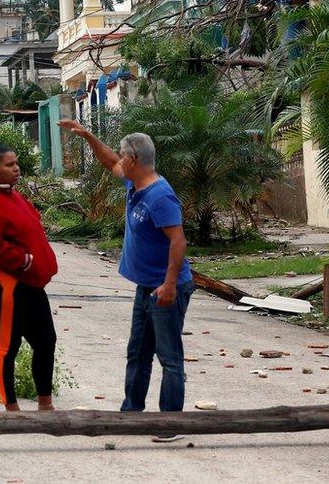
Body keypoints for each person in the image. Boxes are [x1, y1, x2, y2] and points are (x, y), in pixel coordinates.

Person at [59, 119, 194, 441]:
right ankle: (131, 413)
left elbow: (179, 241)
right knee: (138, 351)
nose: (118, 160)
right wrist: (89, 136)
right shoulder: (135, 182)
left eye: (123, 155)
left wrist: (170, 285)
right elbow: (109, 162)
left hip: (166, 288)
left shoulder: (159, 196)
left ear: (134, 160)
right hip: (146, 286)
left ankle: (170, 423)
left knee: (169, 356)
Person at [0, 142, 58, 412]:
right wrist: (24, 259)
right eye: (10, 165)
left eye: (17, 163)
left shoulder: (15, 195)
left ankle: (45, 404)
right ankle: (11, 408)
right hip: (4, 282)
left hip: (29, 283)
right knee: (8, 345)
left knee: (46, 340)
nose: (17, 168)